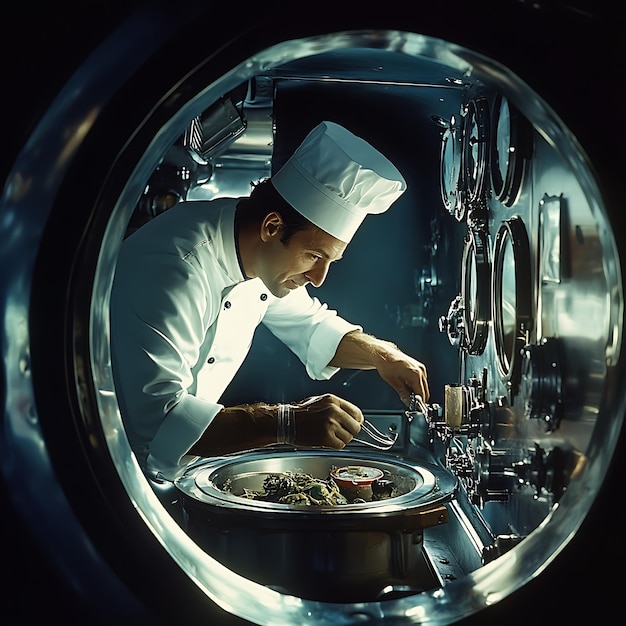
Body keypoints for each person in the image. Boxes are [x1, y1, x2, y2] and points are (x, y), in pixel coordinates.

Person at [110, 120, 429, 482]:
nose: (318, 278)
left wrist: (382, 354)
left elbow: (312, 325)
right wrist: (287, 422)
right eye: (313, 256)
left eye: (328, 262)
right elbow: (159, 426)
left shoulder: (258, 257)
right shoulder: (175, 269)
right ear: (272, 227)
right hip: (118, 474)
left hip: (176, 467)